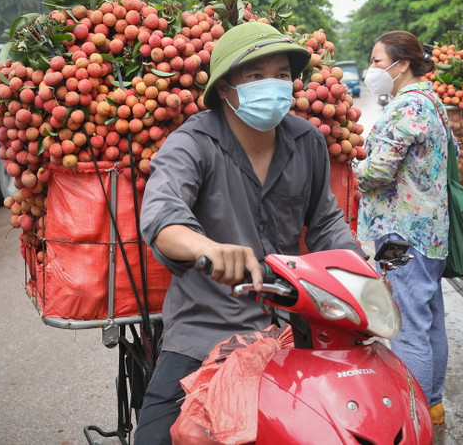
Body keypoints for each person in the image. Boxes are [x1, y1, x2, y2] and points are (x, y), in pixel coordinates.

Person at [134, 22, 364, 444]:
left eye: (280, 74)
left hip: (294, 320)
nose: (272, 85)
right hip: (206, 327)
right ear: (224, 89)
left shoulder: (308, 140)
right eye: (255, 76)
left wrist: (356, 273)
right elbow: (162, 216)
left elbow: (326, 222)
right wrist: (206, 248)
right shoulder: (193, 142)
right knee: (153, 439)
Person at [354, 30, 450, 425]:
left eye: (378, 61)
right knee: (430, 320)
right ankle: (434, 404)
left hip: (403, 233)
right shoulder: (431, 101)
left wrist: (351, 167)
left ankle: (415, 418)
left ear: (402, 63)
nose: (372, 69)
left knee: (408, 326)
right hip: (430, 230)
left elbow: (377, 173)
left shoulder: (408, 107)